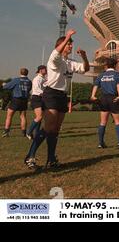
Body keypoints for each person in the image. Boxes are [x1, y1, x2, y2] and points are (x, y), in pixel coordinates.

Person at [24, 29, 89, 169]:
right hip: (51, 94)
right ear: (62, 45)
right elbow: (56, 51)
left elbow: (85, 69)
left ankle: (51, 159)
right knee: (48, 128)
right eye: (68, 44)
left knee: (55, 130)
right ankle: (30, 156)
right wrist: (68, 36)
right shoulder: (55, 58)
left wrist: (84, 57)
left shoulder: (70, 62)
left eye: (71, 44)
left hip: (62, 96)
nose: (71, 46)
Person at [90, 57, 119, 149]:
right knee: (117, 121)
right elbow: (118, 85)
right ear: (115, 65)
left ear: (106, 65)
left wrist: (93, 95)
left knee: (103, 122)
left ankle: (100, 143)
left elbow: (96, 85)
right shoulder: (117, 74)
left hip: (103, 99)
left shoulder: (101, 75)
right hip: (114, 99)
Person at [2, 68, 32, 138]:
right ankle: (24, 133)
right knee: (23, 116)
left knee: (9, 116)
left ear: (20, 72)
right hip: (24, 100)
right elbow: (29, 89)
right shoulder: (29, 81)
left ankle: (6, 132)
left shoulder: (16, 80)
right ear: (27, 73)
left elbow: (6, 87)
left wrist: (4, 84)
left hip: (16, 99)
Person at [26, 65, 47, 140]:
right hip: (36, 98)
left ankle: (36, 134)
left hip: (41, 99)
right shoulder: (37, 79)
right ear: (41, 70)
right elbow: (37, 90)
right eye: (45, 69)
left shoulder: (43, 79)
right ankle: (28, 131)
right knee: (39, 117)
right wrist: (46, 94)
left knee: (40, 118)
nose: (46, 70)